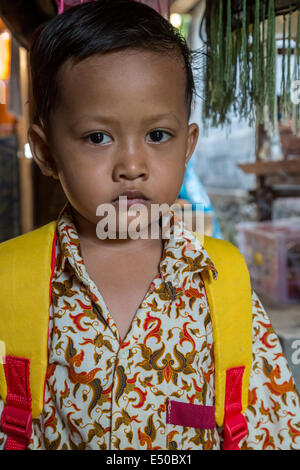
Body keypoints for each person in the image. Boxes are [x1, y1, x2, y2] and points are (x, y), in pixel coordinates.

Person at [0, 0, 299, 450]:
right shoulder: (10, 281)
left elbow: (270, 427)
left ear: (187, 145)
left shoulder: (222, 282)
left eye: (157, 135)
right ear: (46, 152)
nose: (132, 165)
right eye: (98, 137)